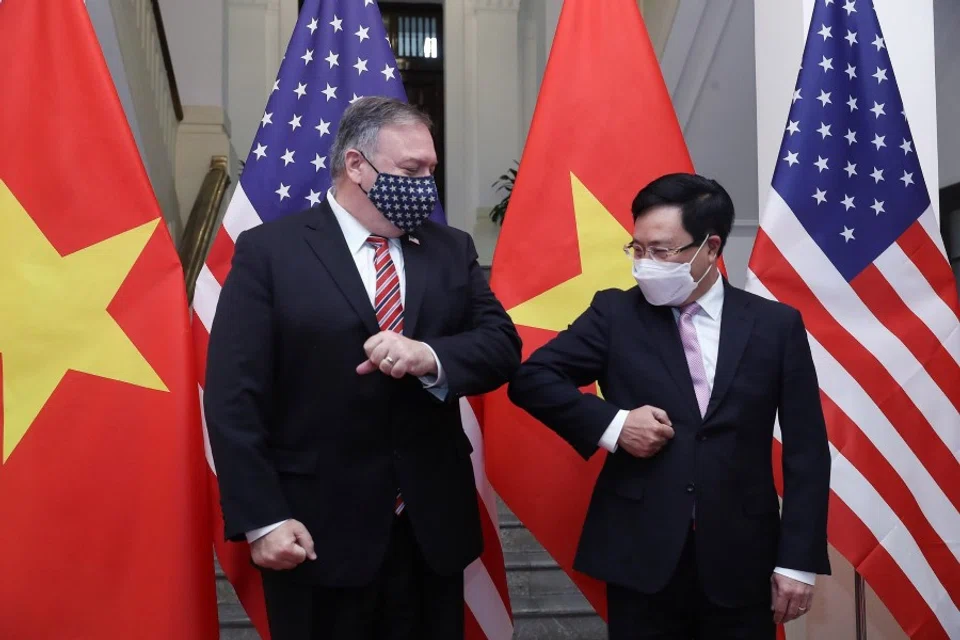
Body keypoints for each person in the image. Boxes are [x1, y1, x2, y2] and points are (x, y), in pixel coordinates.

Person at [204, 97, 521, 640]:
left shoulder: (450, 249)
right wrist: (263, 518)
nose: (426, 182)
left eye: (431, 170)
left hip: (431, 534)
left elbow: (501, 345)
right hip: (316, 533)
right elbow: (235, 397)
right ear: (356, 166)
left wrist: (433, 357)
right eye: (410, 170)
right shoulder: (270, 253)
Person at [507, 173, 831, 639]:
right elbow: (531, 378)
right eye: (637, 248)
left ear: (710, 249)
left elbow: (807, 450)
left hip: (743, 558)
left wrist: (798, 562)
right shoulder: (615, 315)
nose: (644, 263)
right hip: (641, 555)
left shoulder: (774, 326)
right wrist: (615, 425)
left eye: (660, 251)